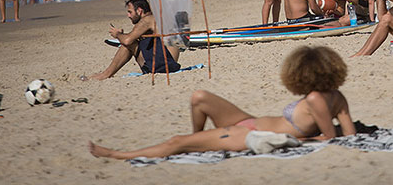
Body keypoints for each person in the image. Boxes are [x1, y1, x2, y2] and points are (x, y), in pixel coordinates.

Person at [88, 45, 355, 159]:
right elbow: (350, 133)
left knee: (176, 142)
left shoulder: (316, 98)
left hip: (250, 133)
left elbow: (330, 139)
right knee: (199, 97)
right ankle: (201, 142)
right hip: (248, 121)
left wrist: (294, 141)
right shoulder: (338, 97)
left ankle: (116, 154)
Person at [88, 0, 181, 80]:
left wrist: (118, 35)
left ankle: (105, 74)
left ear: (139, 11)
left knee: (127, 45)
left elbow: (128, 40)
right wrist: (122, 35)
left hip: (164, 64)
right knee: (134, 42)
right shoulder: (155, 19)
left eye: (130, 12)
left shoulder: (147, 20)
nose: (128, 15)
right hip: (168, 62)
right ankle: (106, 74)